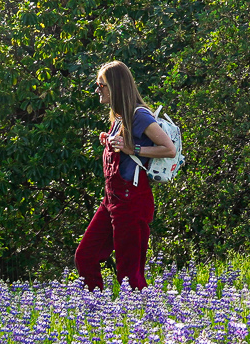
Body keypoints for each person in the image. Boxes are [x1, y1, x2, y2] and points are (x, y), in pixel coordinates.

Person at [75, 60, 176, 292]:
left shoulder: (138, 115)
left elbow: (168, 148)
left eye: (101, 85)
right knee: (85, 256)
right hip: (112, 200)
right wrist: (110, 141)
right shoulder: (118, 117)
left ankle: (143, 320)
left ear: (115, 86)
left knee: (130, 275)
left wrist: (133, 149)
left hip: (132, 201)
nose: (97, 90)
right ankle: (96, 310)